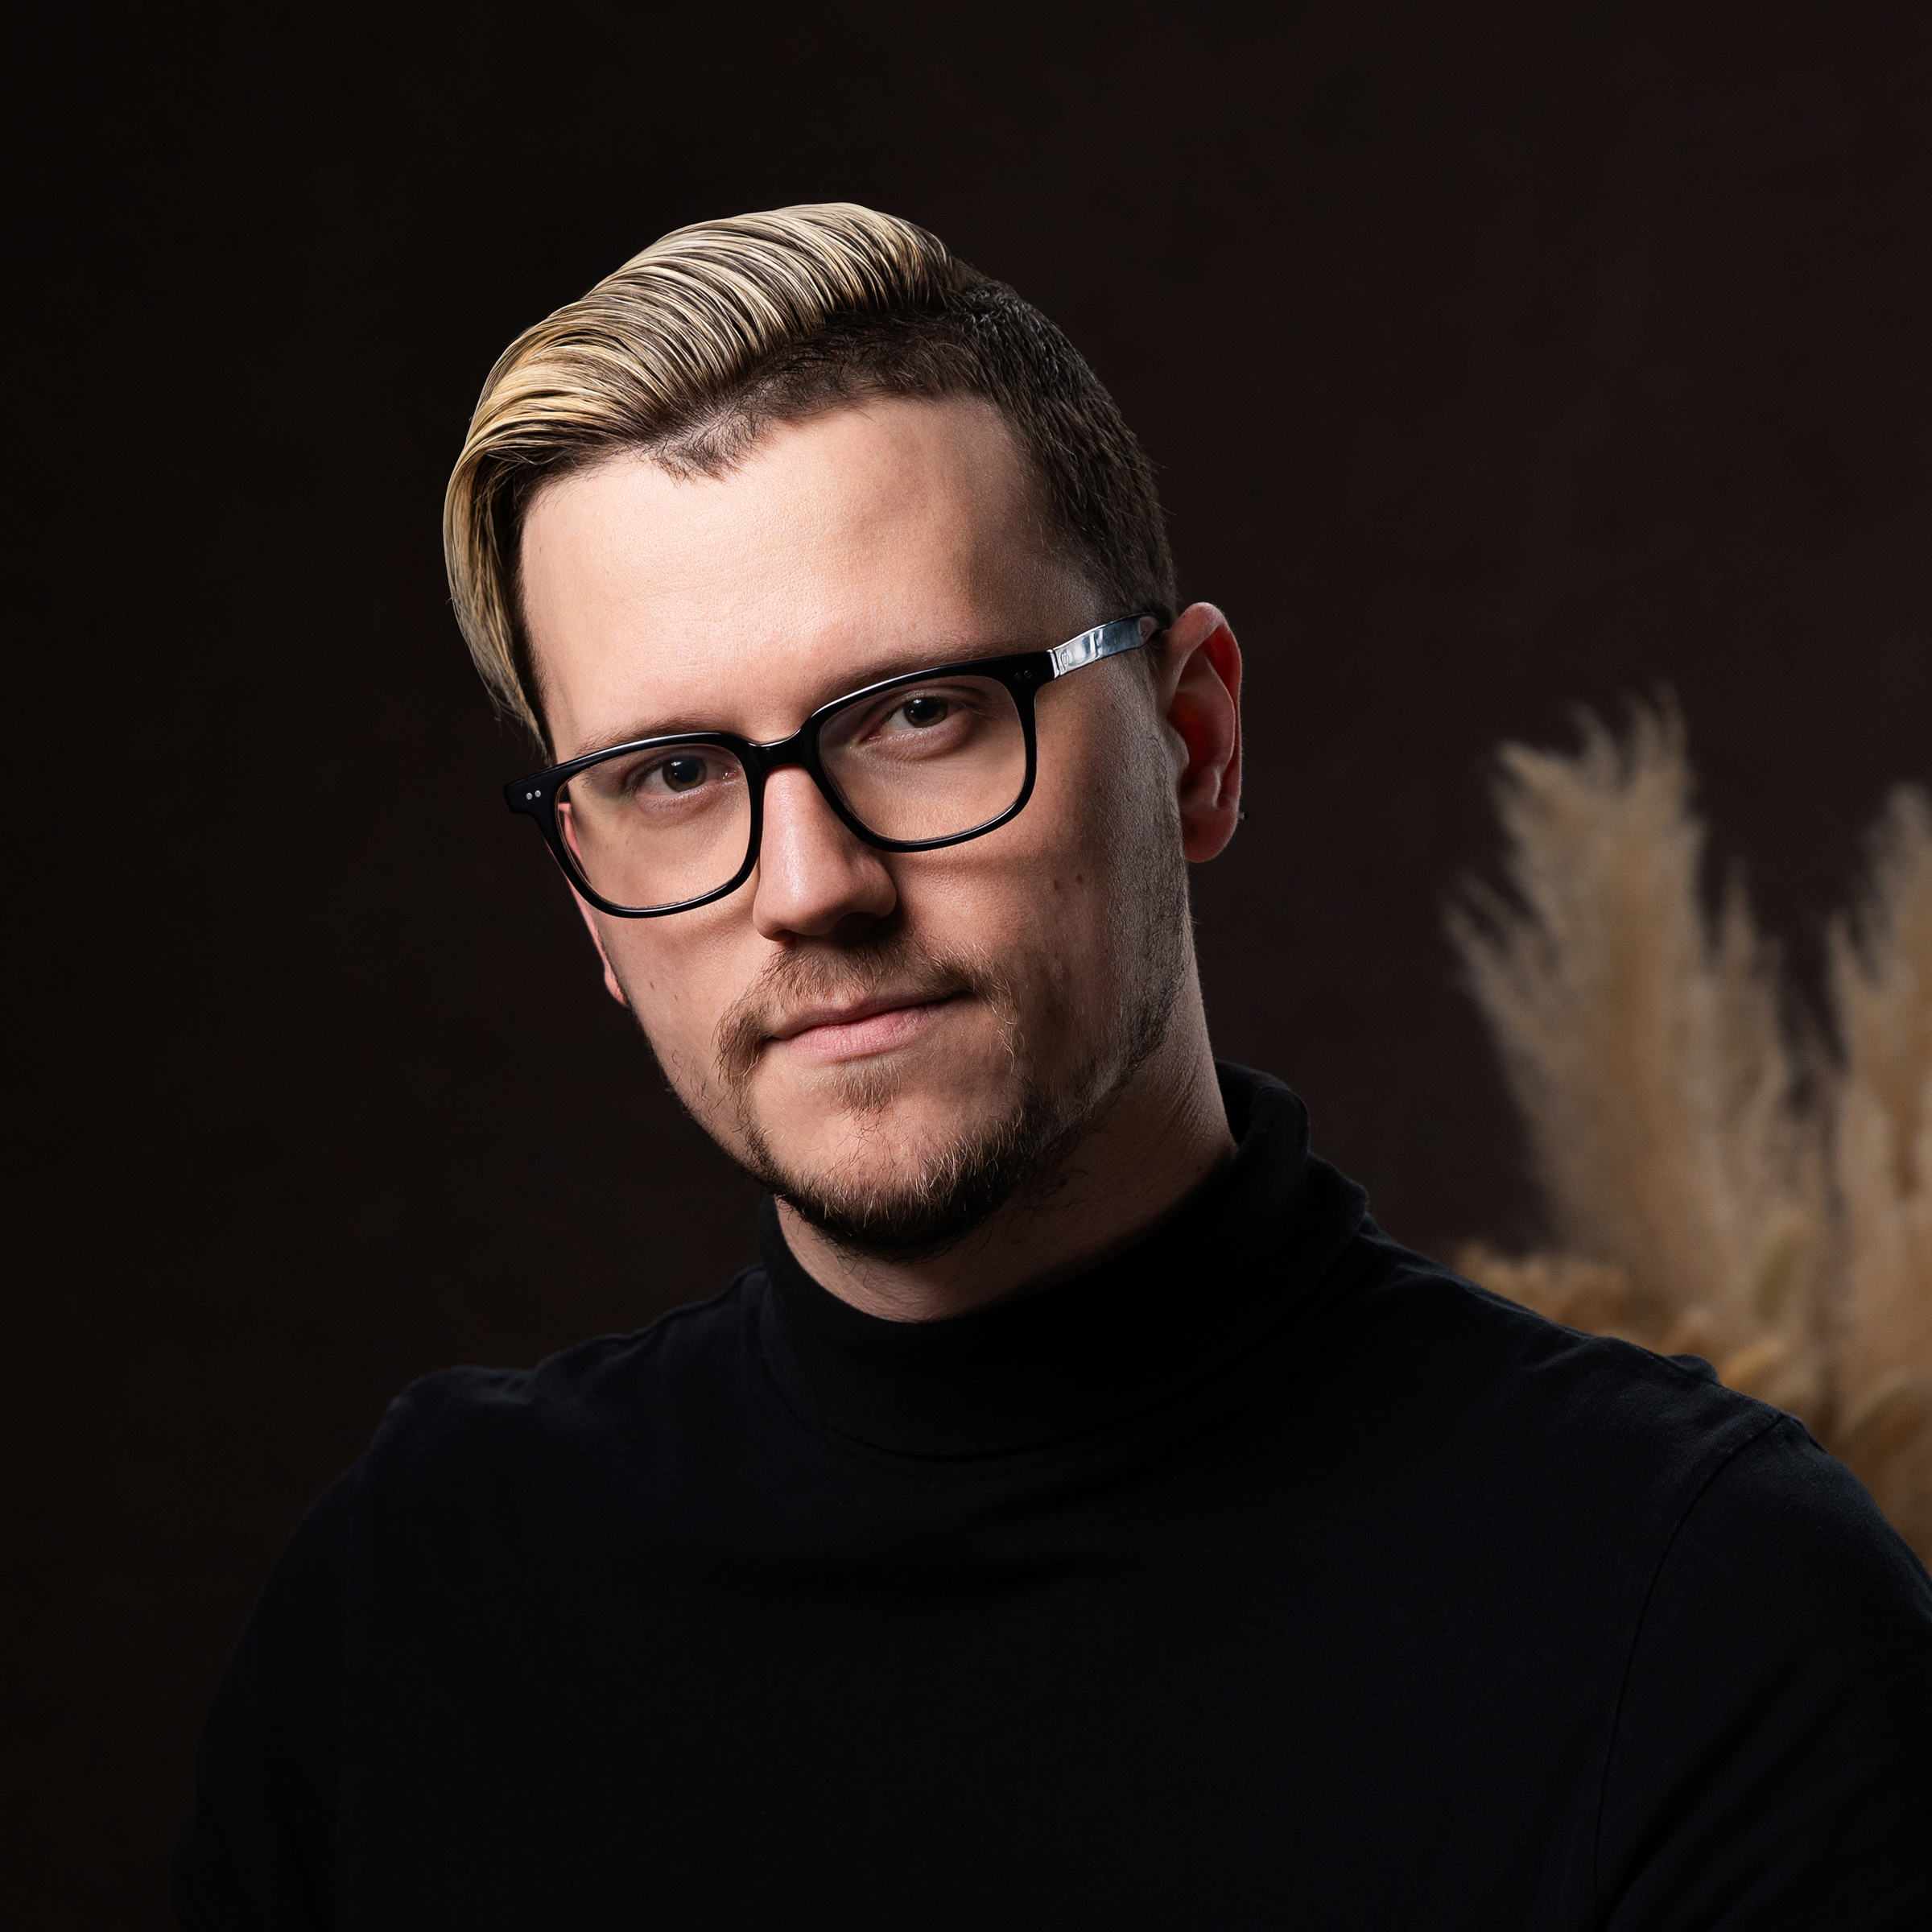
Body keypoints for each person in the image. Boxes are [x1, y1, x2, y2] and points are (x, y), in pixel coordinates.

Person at [175, 204, 1932, 1930]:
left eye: (920, 713)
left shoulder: (1705, 1619)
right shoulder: (412, 1604)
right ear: (589, 899)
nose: (810, 887)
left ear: (1194, 742)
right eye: (672, 777)